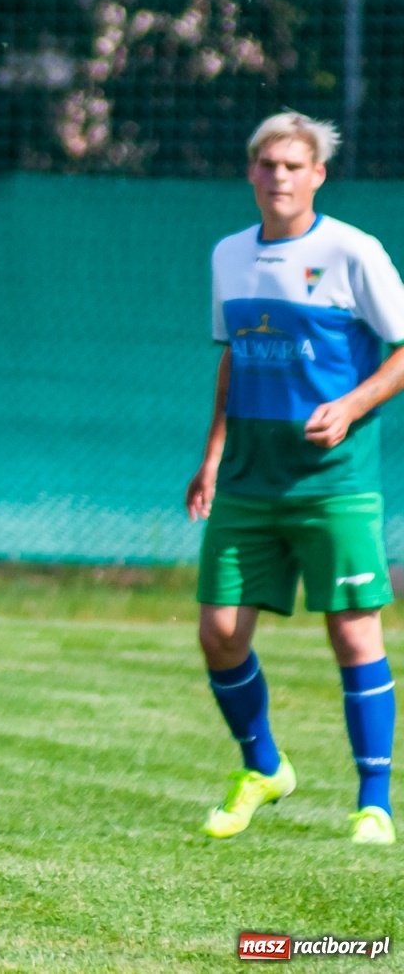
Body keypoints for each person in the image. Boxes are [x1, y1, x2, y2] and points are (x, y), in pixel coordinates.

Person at [186, 111, 400, 845]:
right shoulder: (227, 257)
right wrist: (211, 457)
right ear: (250, 172)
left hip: (334, 483)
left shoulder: (352, 251)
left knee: (353, 633)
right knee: (219, 633)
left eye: (291, 165)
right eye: (266, 164)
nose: (277, 176)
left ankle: (375, 801)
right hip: (248, 482)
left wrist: (351, 404)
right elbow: (233, 359)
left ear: (318, 175)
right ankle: (264, 767)